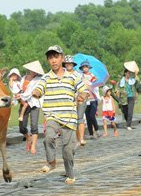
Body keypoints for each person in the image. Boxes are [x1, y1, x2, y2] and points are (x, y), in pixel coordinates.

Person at [32, 45, 88, 185]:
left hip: (69, 118)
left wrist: (82, 96)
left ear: (62, 58)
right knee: (48, 138)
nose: (53, 60)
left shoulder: (72, 77)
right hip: (52, 116)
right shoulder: (46, 78)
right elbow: (39, 88)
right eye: (50, 58)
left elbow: (84, 90)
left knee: (67, 151)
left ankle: (70, 174)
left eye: (56, 57)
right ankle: (52, 162)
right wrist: (37, 93)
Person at [17, 60, 44, 155]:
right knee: (22, 127)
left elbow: (35, 91)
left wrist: (24, 95)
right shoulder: (23, 78)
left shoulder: (39, 79)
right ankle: (28, 138)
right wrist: (18, 96)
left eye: (35, 71)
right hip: (23, 102)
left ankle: (33, 146)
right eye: (32, 70)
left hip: (34, 103)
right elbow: (19, 90)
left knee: (34, 125)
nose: (33, 72)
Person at [63, 55, 86, 146]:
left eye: (70, 63)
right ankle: (75, 138)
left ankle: (81, 138)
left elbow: (83, 88)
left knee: (80, 118)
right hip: (68, 100)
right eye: (67, 64)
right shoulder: (63, 75)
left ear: (73, 64)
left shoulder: (78, 75)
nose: (68, 65)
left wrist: (80, 97)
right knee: (71, 120)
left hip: (79, 99)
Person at [113, 66, 141, 131]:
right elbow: (116, 88)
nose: (129, 74)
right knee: (125, 111)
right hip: (123, 98)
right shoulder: (121, 81)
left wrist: (136, 75)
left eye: (130, 73)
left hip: (131, 97)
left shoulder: (133, 80)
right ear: (125, 73)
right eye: (128, 73)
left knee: (130, 111)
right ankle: (128, 123)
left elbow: (138, 84)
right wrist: (117, 92)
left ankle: (128, 125)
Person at [80, 60, 100, 138]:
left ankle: (97, 129)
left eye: (86, 67)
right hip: (85, 99)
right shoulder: (81, 77)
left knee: (92, 115)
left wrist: (91, 85)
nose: (85, 68)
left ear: (88, 68)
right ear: (82, 68)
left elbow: (96, 85)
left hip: (93, 99)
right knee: (87, 117)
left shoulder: (93, 76)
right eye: (83, 67)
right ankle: (91, 133)